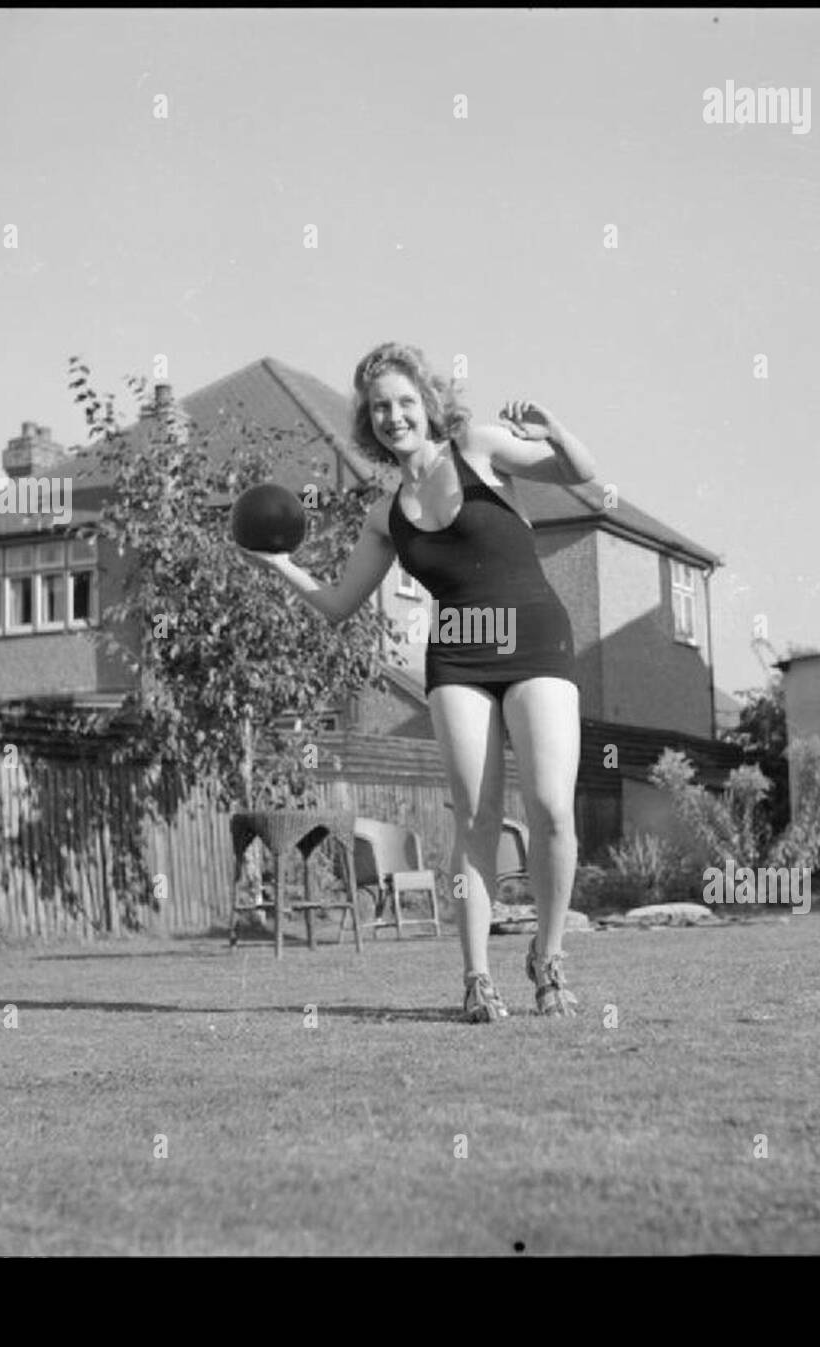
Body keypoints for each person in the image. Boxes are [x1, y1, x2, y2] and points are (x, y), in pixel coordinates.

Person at [245, 342, 596, 1021]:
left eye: (405, 401)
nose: (393, 415)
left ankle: (548, 960)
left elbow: (581, 471)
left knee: (553, 806)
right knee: (475, 819)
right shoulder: (385, 514)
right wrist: (278, 564)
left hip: (536, 639)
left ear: (427, 403)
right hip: (459, 657)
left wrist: (554, 429)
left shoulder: (480, 448)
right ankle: (475, 978)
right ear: (367, 421)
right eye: (380, 407)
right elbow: (340, 602)